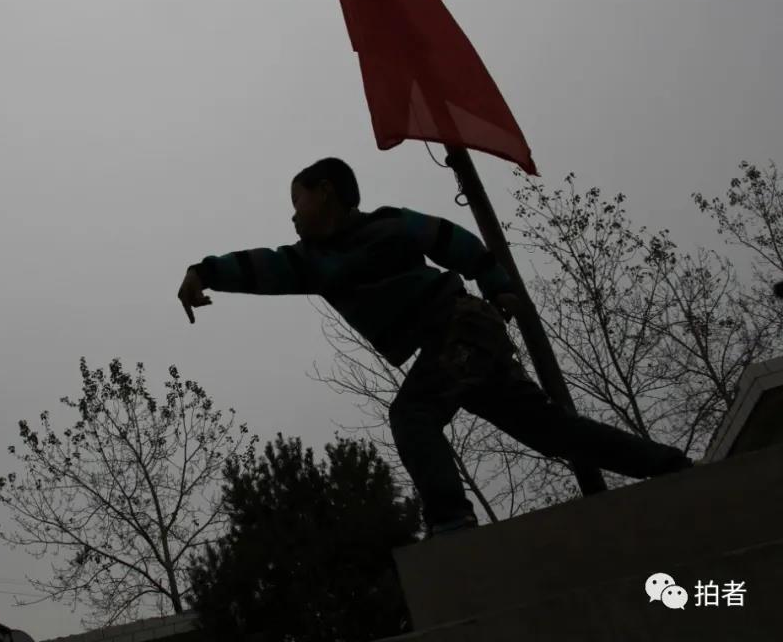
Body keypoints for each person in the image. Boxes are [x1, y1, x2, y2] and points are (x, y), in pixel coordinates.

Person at [177, 157, 694, 537]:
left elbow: (453, 240)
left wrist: (497, 284)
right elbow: (261, 266)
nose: (292, 216)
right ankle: (668, 465)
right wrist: (204, 273)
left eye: (298, 202)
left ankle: (451, 519)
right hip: (456, 346)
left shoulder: (390, 224)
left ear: (326, 192)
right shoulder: (312, 262)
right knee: (551, 430)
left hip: (463, 326)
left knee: (413, 414)